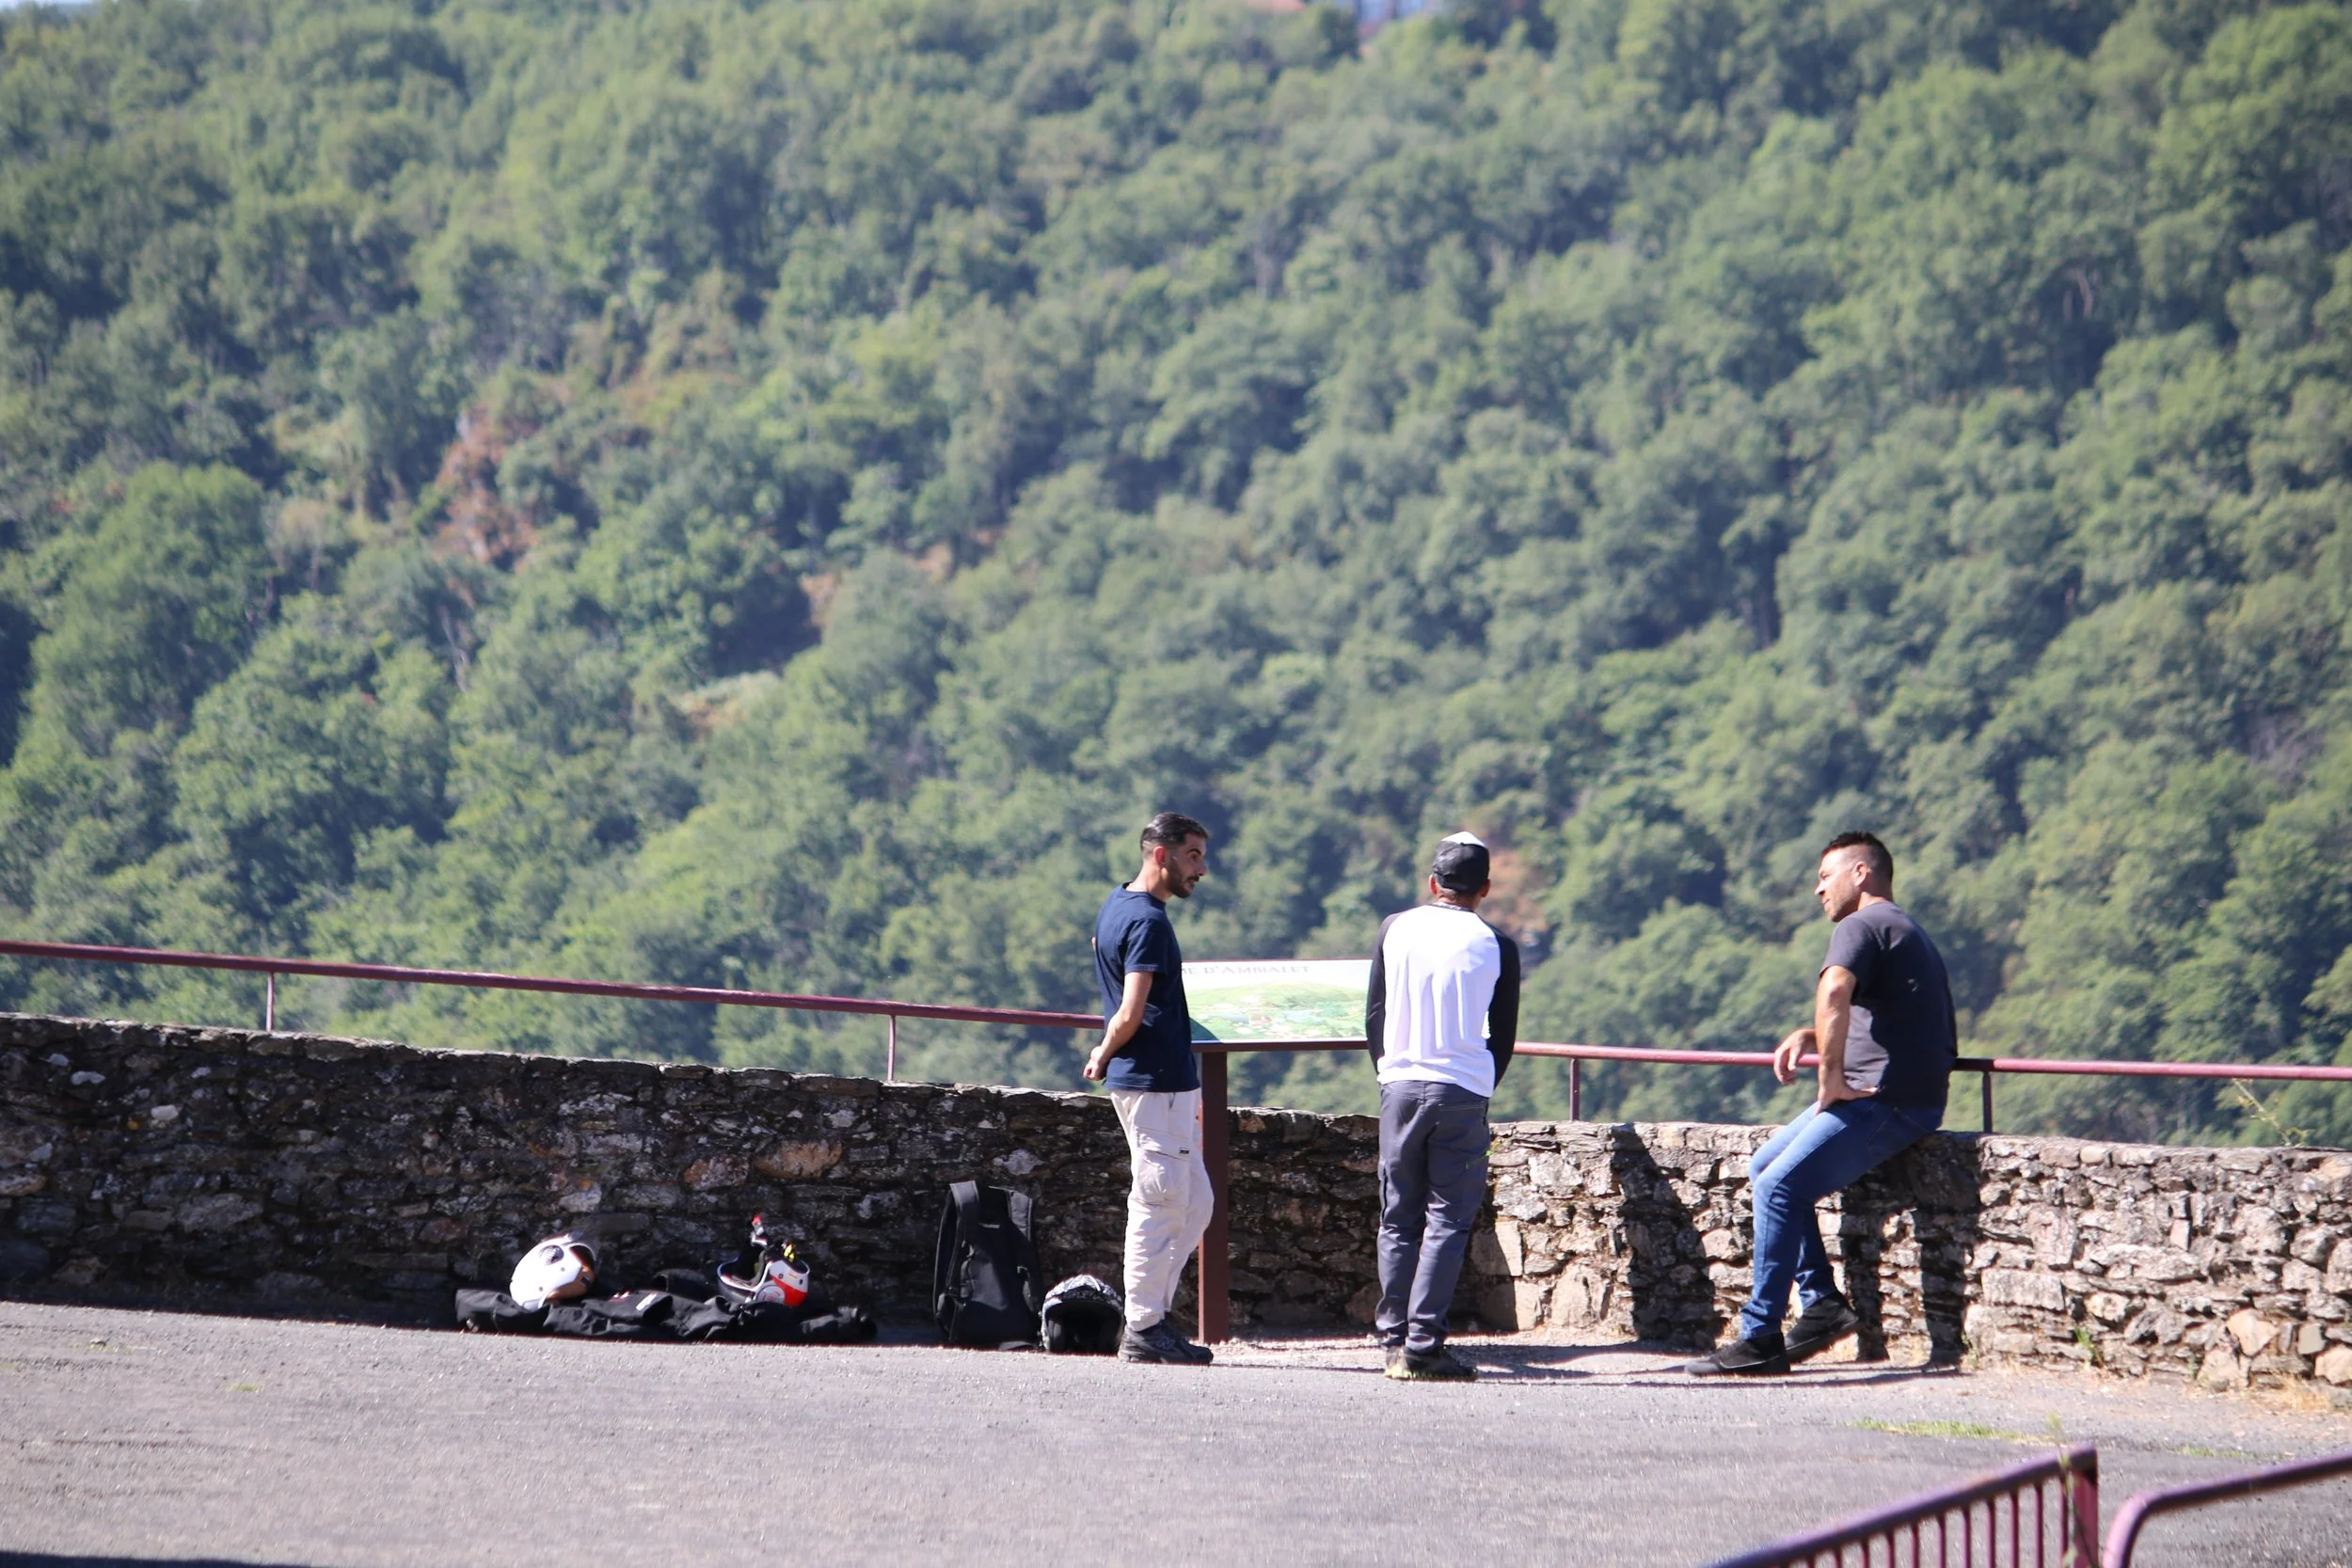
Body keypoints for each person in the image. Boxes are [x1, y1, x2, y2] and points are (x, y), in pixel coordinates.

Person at [1685, 832, 1957, 1376]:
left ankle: (1760, 1336)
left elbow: (1836, 991)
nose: (1817, 890)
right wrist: (1817, 1035)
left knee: (1778, 1185)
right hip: (1900, 1093)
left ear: (1861, 873)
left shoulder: (1863, 924)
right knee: (1765, 1165)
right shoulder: (1901, 927)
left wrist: (1829, 1079)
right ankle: (1822, 1305)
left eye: (1825, 875)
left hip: (1887, 1101)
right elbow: (1884, 1015)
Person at [1364, 832, 1521, 1382]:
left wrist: (1389, 1074)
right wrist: (1480, 1084)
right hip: (1461, 1090)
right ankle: (1425, 1344)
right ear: (1484, 889)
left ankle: (1393, 1342)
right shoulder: (1496, 944)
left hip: (1401, 1085)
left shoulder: (1395, 928)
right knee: (1447, 1220)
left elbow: (1374, 1015)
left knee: (1397, 1214)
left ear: (1433, 883)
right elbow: (1502, 1035)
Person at [1085, 811, 1216, 1366]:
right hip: (1152, 1082)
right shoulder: (1149, 923)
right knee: (1159, 1201)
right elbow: (1130, 1010)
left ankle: (1157, 1318)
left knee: (1196, 1204)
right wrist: (1103, 1051)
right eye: (1192, 855)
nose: (1202, 870)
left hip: (1170, 1084)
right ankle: (1142, 1327)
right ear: (1159, 854)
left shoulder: (1120, 904)